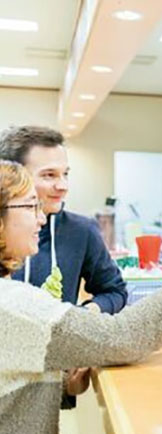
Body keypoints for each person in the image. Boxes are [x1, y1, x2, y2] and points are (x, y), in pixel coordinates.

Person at [0, 160, 162, 434]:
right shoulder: (12, 304)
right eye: (30, 207)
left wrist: (64, 384)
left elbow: (12, 380)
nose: (41, 219)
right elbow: (122, 336)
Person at [0, 125, 126, 314]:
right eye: (49, 175)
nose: (63, 186)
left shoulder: (82, 230)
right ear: (13, 174)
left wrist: (81, 316)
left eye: (65, 174)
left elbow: (114, 291)